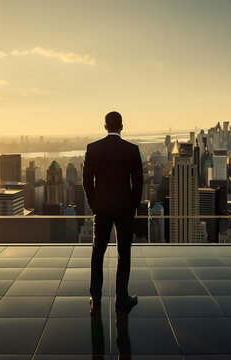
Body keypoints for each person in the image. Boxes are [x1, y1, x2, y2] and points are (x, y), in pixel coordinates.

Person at [83, 111, 143, 312]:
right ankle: (122, 298)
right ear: (122, 127)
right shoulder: (132, 149)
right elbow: (139, 182)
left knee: (97, 252)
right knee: (123, 253)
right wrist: (132, 206)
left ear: (105, 126)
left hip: (101, 208)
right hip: (125, 208)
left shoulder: (93, 149)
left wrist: (94, 204)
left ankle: (95, 297)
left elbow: (86, 181)